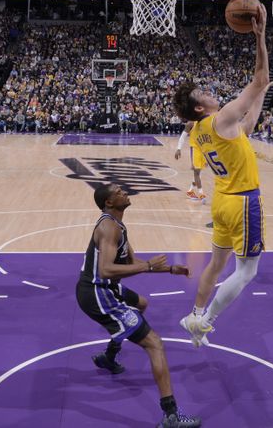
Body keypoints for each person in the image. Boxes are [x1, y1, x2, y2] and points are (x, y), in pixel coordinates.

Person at [172, 3, 270, 347]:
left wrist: (262, 89)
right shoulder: (219, 118)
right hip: (243, 201)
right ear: (201, 107)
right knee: (247, 271)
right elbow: (259, 79)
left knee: (215, 266)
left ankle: (194, 314)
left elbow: (248, 123)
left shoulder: (199, 129)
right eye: (204, 94)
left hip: (222, 204)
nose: (210, 92)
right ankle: (207, 321)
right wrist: (260, 38)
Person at [76, 183, 199, 428]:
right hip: (98, 293)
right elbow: (107, 270)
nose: (124, 191)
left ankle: (109, 357)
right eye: (117, 191)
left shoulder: (118, 225)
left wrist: (169, 269)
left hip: (106, 288)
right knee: (154, 344)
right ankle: (171, 415)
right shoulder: (109, 227)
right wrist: (149, 266)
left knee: (141, 303)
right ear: (109, 202)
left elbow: (133, 262)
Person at [175, 121, 206, 202]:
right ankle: (201, 193)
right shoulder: (190, 123)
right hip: (195, 149)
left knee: (199, 172)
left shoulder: (206, 121)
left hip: (204, 149)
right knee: (197, 172)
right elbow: (182, 137)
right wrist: (178, 149)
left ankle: (190, 191)